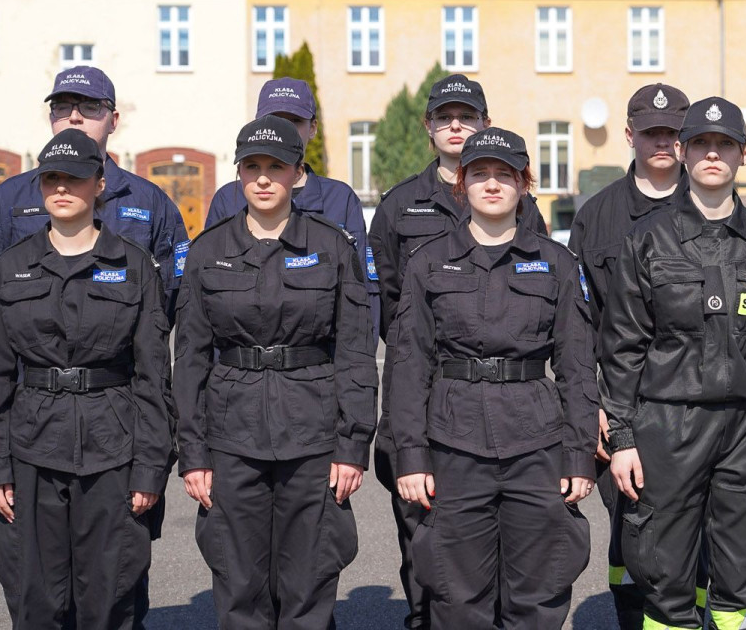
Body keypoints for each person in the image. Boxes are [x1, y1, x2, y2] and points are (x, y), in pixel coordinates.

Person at [0, 65, 184, 627]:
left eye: (75, 177)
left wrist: (150, 466)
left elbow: (153, 368)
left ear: (99, 183)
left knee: (112, 599)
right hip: (31, 443)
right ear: (39, 184)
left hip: (114, 442)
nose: (62, 187)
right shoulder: (12, 260)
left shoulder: (135, 257)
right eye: (51, 178)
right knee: (36, 600)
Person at [601, 97, 746, 630]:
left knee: (740, 579)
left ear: (745, 153)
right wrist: (622, 440)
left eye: (725, 144)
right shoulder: (647, 239)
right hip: (667, 426)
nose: (713, 154)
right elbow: (623, 347)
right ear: (684, 152)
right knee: (665, 578)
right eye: (701, 144)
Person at [390, 127, 598, 629]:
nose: (491, 184)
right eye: (479, 173)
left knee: (539, 593)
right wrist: (411, 456)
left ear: (524, 183)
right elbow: (408, 365)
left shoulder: (557, 263)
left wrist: (578, 455)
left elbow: (576, 366)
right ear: (462, 183)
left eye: (504, 174)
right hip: (454, 443)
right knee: (457, 595)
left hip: (536, 444)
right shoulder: (428, 263)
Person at [175, 115, 377, 629]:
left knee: (309, 583)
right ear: (239, 173)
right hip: (232, 436)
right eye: (252, 167)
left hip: (312, 436)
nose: (263, 178)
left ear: (297, 173)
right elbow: (191, 359)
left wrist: (352, 446)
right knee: (239, 583)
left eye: (276, 167)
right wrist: (194, 454)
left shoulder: (332, 247)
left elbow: (354, 352)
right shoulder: (208, 251)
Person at [367, 73, 548, 629]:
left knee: (499, 539)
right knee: (423, 534)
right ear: (429, 127)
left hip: (503, 402)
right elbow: (389, 301)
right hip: (421, 387)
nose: (455, 125)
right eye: (445, 116)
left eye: (466, 116)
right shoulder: (400, 206)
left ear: (484, 125)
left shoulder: (520, 204)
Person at [567, 83, 689, 630]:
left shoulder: (714, 205)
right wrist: (591, 404)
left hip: (703, 406)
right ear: (629, 135)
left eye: (672, 132)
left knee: (703, 534)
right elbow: (575, 324)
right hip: (624, 408)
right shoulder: (598, 216)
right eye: (650, 132)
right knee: (632, 532)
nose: (662, 142)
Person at [0, 66, 189, 314]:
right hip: (30, 351)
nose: (74, 117)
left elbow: (172, 289)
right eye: (62, 107)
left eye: (90, 106)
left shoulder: (149, 201)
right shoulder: (8, 198)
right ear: (51, 118)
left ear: (113, 121)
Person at [203, 77, 378, 336]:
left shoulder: (340, 199)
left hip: (318, 366)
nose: (283, 129)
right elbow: (205, 297)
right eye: (275, 118)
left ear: (313, 128)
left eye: (295, 121)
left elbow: (362, 294)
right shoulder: (229, 199)